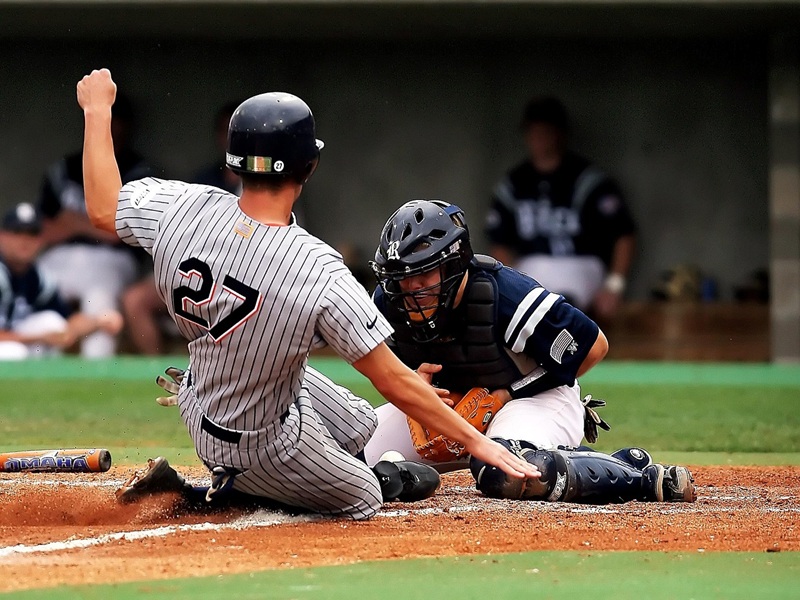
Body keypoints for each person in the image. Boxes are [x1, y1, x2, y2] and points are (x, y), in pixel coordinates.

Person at [76, 68, 538, 520]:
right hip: (258, 442)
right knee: (366, 494)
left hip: (202, 393)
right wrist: (480, 443)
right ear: (309, 167)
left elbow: (102, 208)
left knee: (363, 424)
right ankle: (209, 493)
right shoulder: (317, 268)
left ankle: (265, 472)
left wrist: (97, 112)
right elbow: (392, 381)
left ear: (234, 160)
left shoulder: (182, 205)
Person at [364, 199, 696, 504]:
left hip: (536, 400)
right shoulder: (389, 301)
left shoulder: (505, 295)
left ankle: (639, 476)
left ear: (454, 264)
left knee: (506, 473)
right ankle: (418, 478)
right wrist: (413, 385)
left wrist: (507, 394)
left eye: (423, 274)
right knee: (350, 450)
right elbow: (389, 369)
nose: (411, 288)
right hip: (450, 409)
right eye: (402, 277)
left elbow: (594, 346)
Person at [485, 96, 636, 323]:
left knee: (560, 305)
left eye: (544, 131)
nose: (538, 139)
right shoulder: (514, 183)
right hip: (532, 265)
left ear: (560, 133)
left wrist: (614, 285)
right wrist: (508, 284)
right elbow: (499, 243)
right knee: (527, 292)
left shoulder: (589, 180)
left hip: (582, 264)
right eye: (532, 131)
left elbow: (624, 234)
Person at [37, 92, 153, 358]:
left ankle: (96, 371)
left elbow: (121, 231)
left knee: (100, 302)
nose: (110, 126)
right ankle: (34, 376)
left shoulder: (140, 171)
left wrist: (74, 222)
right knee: (38, 299)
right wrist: (95, 222)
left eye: (115, 120)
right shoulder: (62, 169)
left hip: (111, 258)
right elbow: (42, 232)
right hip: (60, 256)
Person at [121, 101, 242, 355]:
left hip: (242, 276)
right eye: (226, 130)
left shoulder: (269, 182)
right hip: (197, 268)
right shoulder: (205, 179)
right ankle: (154, 370)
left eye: (238, 131)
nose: (231, 138)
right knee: (135, 300)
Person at [0, 202, 123, 360]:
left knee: (52, 323)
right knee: (14, 352)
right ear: (2, 236)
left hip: (15, 343)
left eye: (32, 233)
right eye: (17, 232)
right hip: (10, 348)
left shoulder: (36, 277)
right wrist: (38, 338)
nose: (25, 240)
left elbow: (67, 324)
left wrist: (99, 321)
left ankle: (41, 384)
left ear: (40, 239)